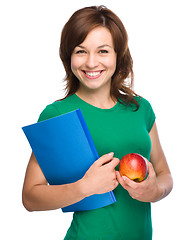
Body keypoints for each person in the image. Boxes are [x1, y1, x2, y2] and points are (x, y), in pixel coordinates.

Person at [22, 5, 173, 240]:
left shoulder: (140, 108)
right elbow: (30, 198)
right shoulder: (57, 114)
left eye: (103, 51)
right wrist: (84, 188)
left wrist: (155, 190)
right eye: (81, 51)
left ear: (118, 55)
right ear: (68, 56)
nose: (91, 63)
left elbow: (164, 173)